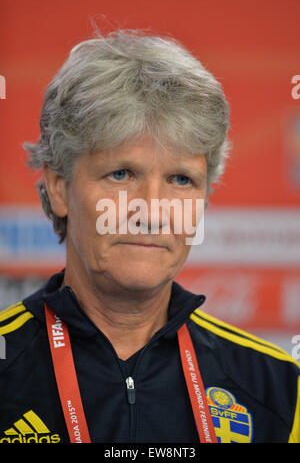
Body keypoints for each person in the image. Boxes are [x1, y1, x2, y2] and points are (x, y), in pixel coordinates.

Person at [0, 29, 299, 445]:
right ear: (59, 187)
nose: (153, 210)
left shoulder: (279, 385)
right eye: (121, 174)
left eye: (181, 179)